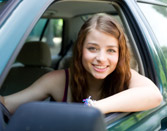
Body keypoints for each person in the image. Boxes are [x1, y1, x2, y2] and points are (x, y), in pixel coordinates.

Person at [0, 13, 162, 114]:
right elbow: (7, 104)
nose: (101, 58)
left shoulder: (126, 76)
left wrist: (94, 108)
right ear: (80, 49)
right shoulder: (58, 80)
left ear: (120, 54)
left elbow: (154, 95)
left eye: (111, 50)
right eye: (92, 48)